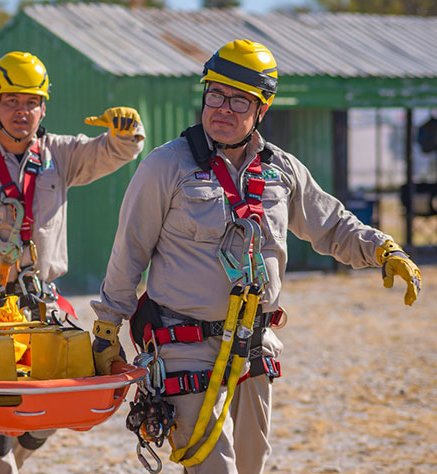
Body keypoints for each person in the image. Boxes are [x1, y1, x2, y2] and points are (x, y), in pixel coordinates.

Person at [90, 39, 423, 474]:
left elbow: (331, 224)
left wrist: (382, 248)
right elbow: (129, 251)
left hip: (253, 348)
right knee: (214, 467)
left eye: (239, 100)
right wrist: (106, 327)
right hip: (184, 347)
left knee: (252, 465)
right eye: (215, 94)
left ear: (262, 109)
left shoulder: (281, 170)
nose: (223, 109)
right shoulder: (165, 166)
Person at [0, 51, 145, 474]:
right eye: (11, 101)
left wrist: (128, 131)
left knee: (56, 401)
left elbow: (111, 152)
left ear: (44, 107)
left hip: (40, 304)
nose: (22, 111)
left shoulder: (61, 155)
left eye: (31, 102)